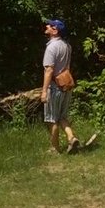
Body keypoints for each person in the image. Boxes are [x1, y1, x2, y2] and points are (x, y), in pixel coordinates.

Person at [41, 18, 80, 154]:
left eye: (50, 25)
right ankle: (71, 137)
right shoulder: (67, 45)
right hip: (66, 85)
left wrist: (44, 91)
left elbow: (49, 70)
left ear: (55, 30)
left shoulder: (51, 47)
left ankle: (55, 149)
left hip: (55, 87)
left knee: (52, 119)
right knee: (62, 116)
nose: (47, 26)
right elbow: (67, 67)